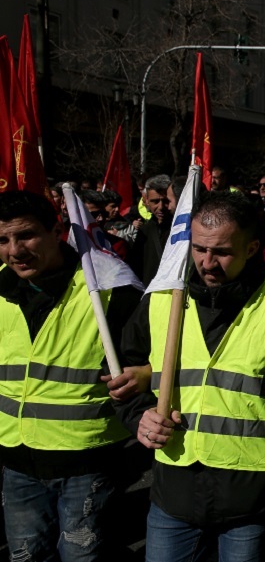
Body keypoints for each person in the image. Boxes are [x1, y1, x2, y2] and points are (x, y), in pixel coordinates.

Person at [117, 191, 265, 561]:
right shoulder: (163, 299)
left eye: (221, 251)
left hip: (253, 496)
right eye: (199, 249)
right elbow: (126, 374)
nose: (206, 262)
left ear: (252, 248)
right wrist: (139, 416)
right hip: (174, 493)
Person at [0, 191, 145, 561]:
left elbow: (160, 358)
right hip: (16, 461)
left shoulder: (108, 289)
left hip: (87, 461)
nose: (15, 251)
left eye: (26, 235)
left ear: (56, 230)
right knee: (26, 556)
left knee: (82, 558)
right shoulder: (0, 289)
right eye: (2, 240)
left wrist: (144, 374)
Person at [128, 174, 172, 286]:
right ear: (146, 201)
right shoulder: (144, 232)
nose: (161, 207)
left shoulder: (181, 230)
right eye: (155, 201)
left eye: (165, 201)